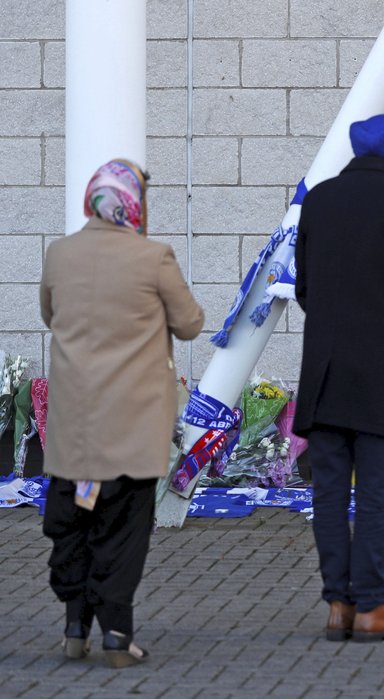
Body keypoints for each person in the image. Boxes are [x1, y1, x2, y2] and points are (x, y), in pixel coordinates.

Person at [40, 159, 204, 667]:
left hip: (75, 429)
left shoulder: (59, 254)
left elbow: (49, 314)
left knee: (76, 522)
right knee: (123, 530)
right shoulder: (152, 257)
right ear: (132, 204)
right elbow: (191, 323)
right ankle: (116, 635)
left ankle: (74, 627)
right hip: (131, 428)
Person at [293, 114, 384, 643]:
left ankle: (338, 603)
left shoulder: (319, 199)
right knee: (375, 494)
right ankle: (373, 608)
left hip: (324, 372)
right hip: (378, 373)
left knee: (329, 492)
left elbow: (305, 287)